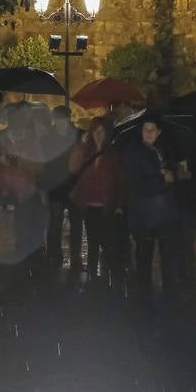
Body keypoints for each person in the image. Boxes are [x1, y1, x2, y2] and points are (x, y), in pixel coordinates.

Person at [122, 118, 183, 297]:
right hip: (144, 212)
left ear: (158, 132)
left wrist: (173, 175)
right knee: (144, 253)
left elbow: (170, 173)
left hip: (165, 212)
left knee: (167, 252)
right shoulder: (134, 152)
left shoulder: (162, 150)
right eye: (145, 129)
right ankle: (144, 293)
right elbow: (135, 183)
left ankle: (169, 290)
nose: (148, 133)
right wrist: (163, 181)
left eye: (152, 129)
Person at [0, 102, 45, 261]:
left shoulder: (32, 139)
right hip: (1, 184)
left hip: (24, 186)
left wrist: (22, 162)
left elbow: (40, 166)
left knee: (23, 219)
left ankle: (21, 252)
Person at [68, 117, 122, 281]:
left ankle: (109, 276)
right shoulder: (86, 151)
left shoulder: (112, 153)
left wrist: (119, 204)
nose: (99, 134)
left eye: (102, 131)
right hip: (89, 203)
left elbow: (120, 180)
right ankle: (92, 275)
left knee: (107, 242)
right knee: (92, 241)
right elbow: (73, 168)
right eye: (96, 131)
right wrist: (81, 146)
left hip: (106, 204)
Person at [42, 105, 82, 267]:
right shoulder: (47, 138)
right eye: (58, 119)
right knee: (55, 223)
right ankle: (54, 254)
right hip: (56, 185)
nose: (61, 122)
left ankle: (75, 257)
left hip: (75, 185)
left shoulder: (78, 135)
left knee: (76, 223)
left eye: (63, 119)